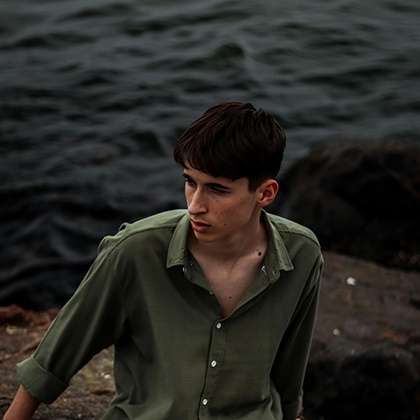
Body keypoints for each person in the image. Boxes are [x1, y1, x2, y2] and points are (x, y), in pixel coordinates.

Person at [4, 101, 323, 420]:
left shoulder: (302, 254)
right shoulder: (135, 251)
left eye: (217, 189)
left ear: (265, 193)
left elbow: (290, 369)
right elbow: (59, 352)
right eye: (190, 182)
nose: (195, 205)